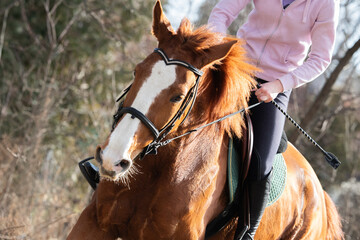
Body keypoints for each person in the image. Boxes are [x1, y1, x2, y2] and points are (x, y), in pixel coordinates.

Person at [208, 0, 339, 239]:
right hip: (236, 67)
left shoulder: (326, 4)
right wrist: (221, 48)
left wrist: (279, 85)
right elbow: (222, 11)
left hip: (275, 85)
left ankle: (247, 232)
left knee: (260, 162)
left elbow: (320, 58)